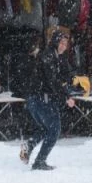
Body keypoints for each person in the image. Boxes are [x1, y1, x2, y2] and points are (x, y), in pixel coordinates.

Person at [19, 30, 75, 171]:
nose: (63, 46)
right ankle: (39, 161)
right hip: (41, 99)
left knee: (45, 129)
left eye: (65, 44)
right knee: (55, 130)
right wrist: (66, 97)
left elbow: (65, 75)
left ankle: (30, 146)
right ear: (55, 42)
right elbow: (53, 81)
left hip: (34, 99)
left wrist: (73, 81)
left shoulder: (55, 56)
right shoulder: (48, 56)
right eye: (61, 43)